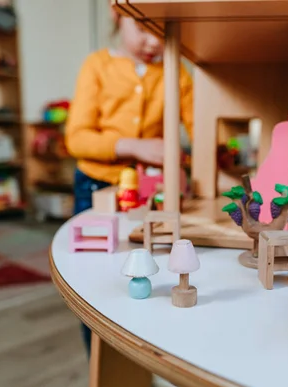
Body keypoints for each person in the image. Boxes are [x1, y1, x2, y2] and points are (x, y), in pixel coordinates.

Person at [65, 6, 193, 355]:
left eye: (162, 32)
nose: (153, 41)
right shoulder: (98, 66)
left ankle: (135, 359)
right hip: (96, 183)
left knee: (144, 272)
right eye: (143, 27)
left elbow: (201, 127)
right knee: (94, 278)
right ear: (117, 13)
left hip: (150, 189)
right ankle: (100, 359)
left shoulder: (177, 74)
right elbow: (76, 138)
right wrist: (136, 146)